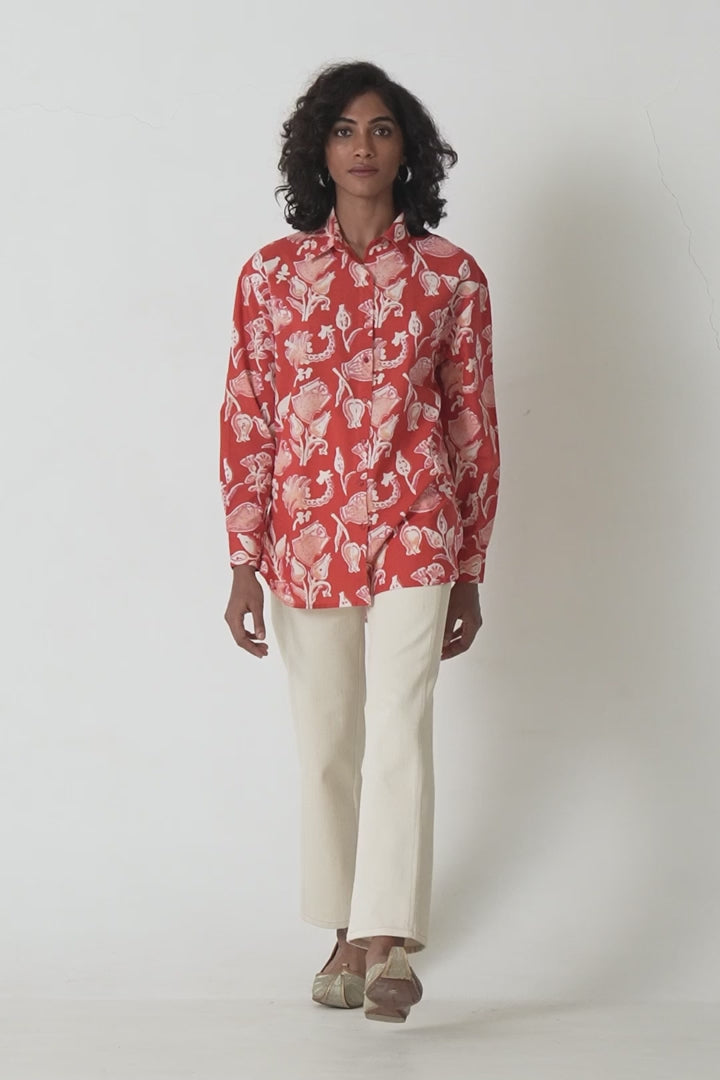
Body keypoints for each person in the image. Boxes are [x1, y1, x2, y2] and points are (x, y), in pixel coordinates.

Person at [219, 60, 500, 1023]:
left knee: (400, 728)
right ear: (320, 150)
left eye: (381, 129)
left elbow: (472, 424)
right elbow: (248, 415)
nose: (363, 146)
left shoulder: (452, 276)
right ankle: (342, 931)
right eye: (344, 130)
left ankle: (386, 945)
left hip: (419, 526)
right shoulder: (271, 276)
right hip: (306, 535)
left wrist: (471, 568)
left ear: (407, 148)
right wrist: (242, 560)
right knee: (329, 738)